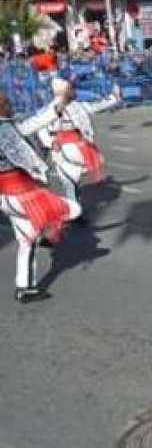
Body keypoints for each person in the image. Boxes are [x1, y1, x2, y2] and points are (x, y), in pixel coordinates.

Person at [0, 90, 82, 303]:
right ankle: (48, 229)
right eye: (6, 101)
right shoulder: (5, 128)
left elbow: (34, 122)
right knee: (73, 209)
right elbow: (22, 151)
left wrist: (60, 103)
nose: (10, 104)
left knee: (26, 241)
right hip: (22, 194)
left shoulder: (10, 125)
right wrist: (38, 169)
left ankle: (24, 287)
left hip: (5, 197)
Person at [30, 78, 121, 216]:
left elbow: (97, 106)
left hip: (81, 146)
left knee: (75, 180)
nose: (74, 91)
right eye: (71, 89)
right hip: (62, 149)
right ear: (64, 92)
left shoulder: (78, 105)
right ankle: (74, 212)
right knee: (69, 182)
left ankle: (74, 207)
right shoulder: (50, 109)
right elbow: (40, 127)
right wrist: (50, 142)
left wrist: (114, 98)